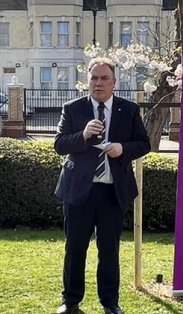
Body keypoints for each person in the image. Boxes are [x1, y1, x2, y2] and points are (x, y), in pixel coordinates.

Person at [53, 58, 150, 314]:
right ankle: (70, 301)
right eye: (94, 78)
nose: (98, 83)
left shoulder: (128, 110)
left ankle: (110, 303)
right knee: (75, 248)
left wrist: (123, 149)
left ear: (114, 83)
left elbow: (144, 144)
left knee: (109, 249)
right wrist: (83, 135)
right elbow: (60, 144)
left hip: (112, 191)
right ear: (88, 82)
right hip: (79, 192)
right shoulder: (73, 109)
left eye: (104, 78)